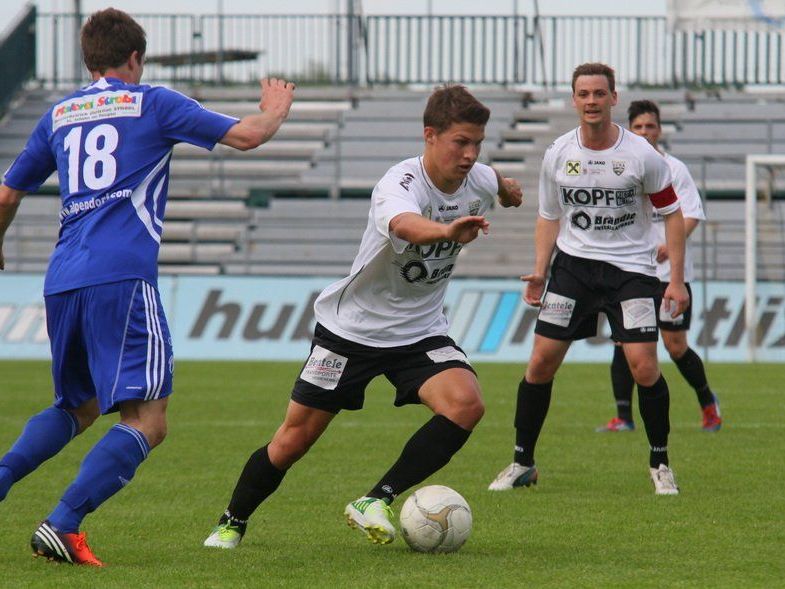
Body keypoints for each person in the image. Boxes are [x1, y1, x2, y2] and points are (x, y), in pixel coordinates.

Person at [0, 8, 294, 566]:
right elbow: (248, 137)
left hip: (62, 278)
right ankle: (63, 523)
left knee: (78, 405)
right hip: (122, 277)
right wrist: (274, 109)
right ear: (136, 57)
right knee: (147, 421)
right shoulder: (153, 101)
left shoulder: (59, 114)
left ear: (89, 59)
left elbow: (6, 196)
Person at [202, 84, 523, 550]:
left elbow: (499, 184)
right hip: (351, 331)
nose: (471, 154)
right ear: (430, 135)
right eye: (460, 142)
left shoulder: (479, 177)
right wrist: (446, 231)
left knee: (466, 404)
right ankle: (232, 521)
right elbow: (403, 224)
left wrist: (509, 191)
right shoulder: (399, 184)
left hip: (419, 331)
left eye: (477, 143)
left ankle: (376, 499)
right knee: (293, 440)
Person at [487, 63, 689, 496]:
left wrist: (675, 279)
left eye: (600, 93)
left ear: (613, 98)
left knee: (645, 367)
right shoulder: (559, 152)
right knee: (540, 364)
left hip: (631, 272)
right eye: (584, 94)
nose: (592, 101)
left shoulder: (641, 155)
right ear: (574, 99)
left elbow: (672, 214)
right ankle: (523, 461)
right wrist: (541, 270)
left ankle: (660, 462)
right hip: (574, 269)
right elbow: (548, 216)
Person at [597, 100, 721, 434]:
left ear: (659, 130)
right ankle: (623, 417)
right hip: (632, 273)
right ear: (630, 129)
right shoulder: (620, 167)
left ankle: (709, 403)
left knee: (675, 346)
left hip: (669, 276)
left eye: (650, 126)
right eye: (638, 127)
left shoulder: (674, 169)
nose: (644, 132)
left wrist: (671, 244)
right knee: (624, 342)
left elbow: (691, 213)